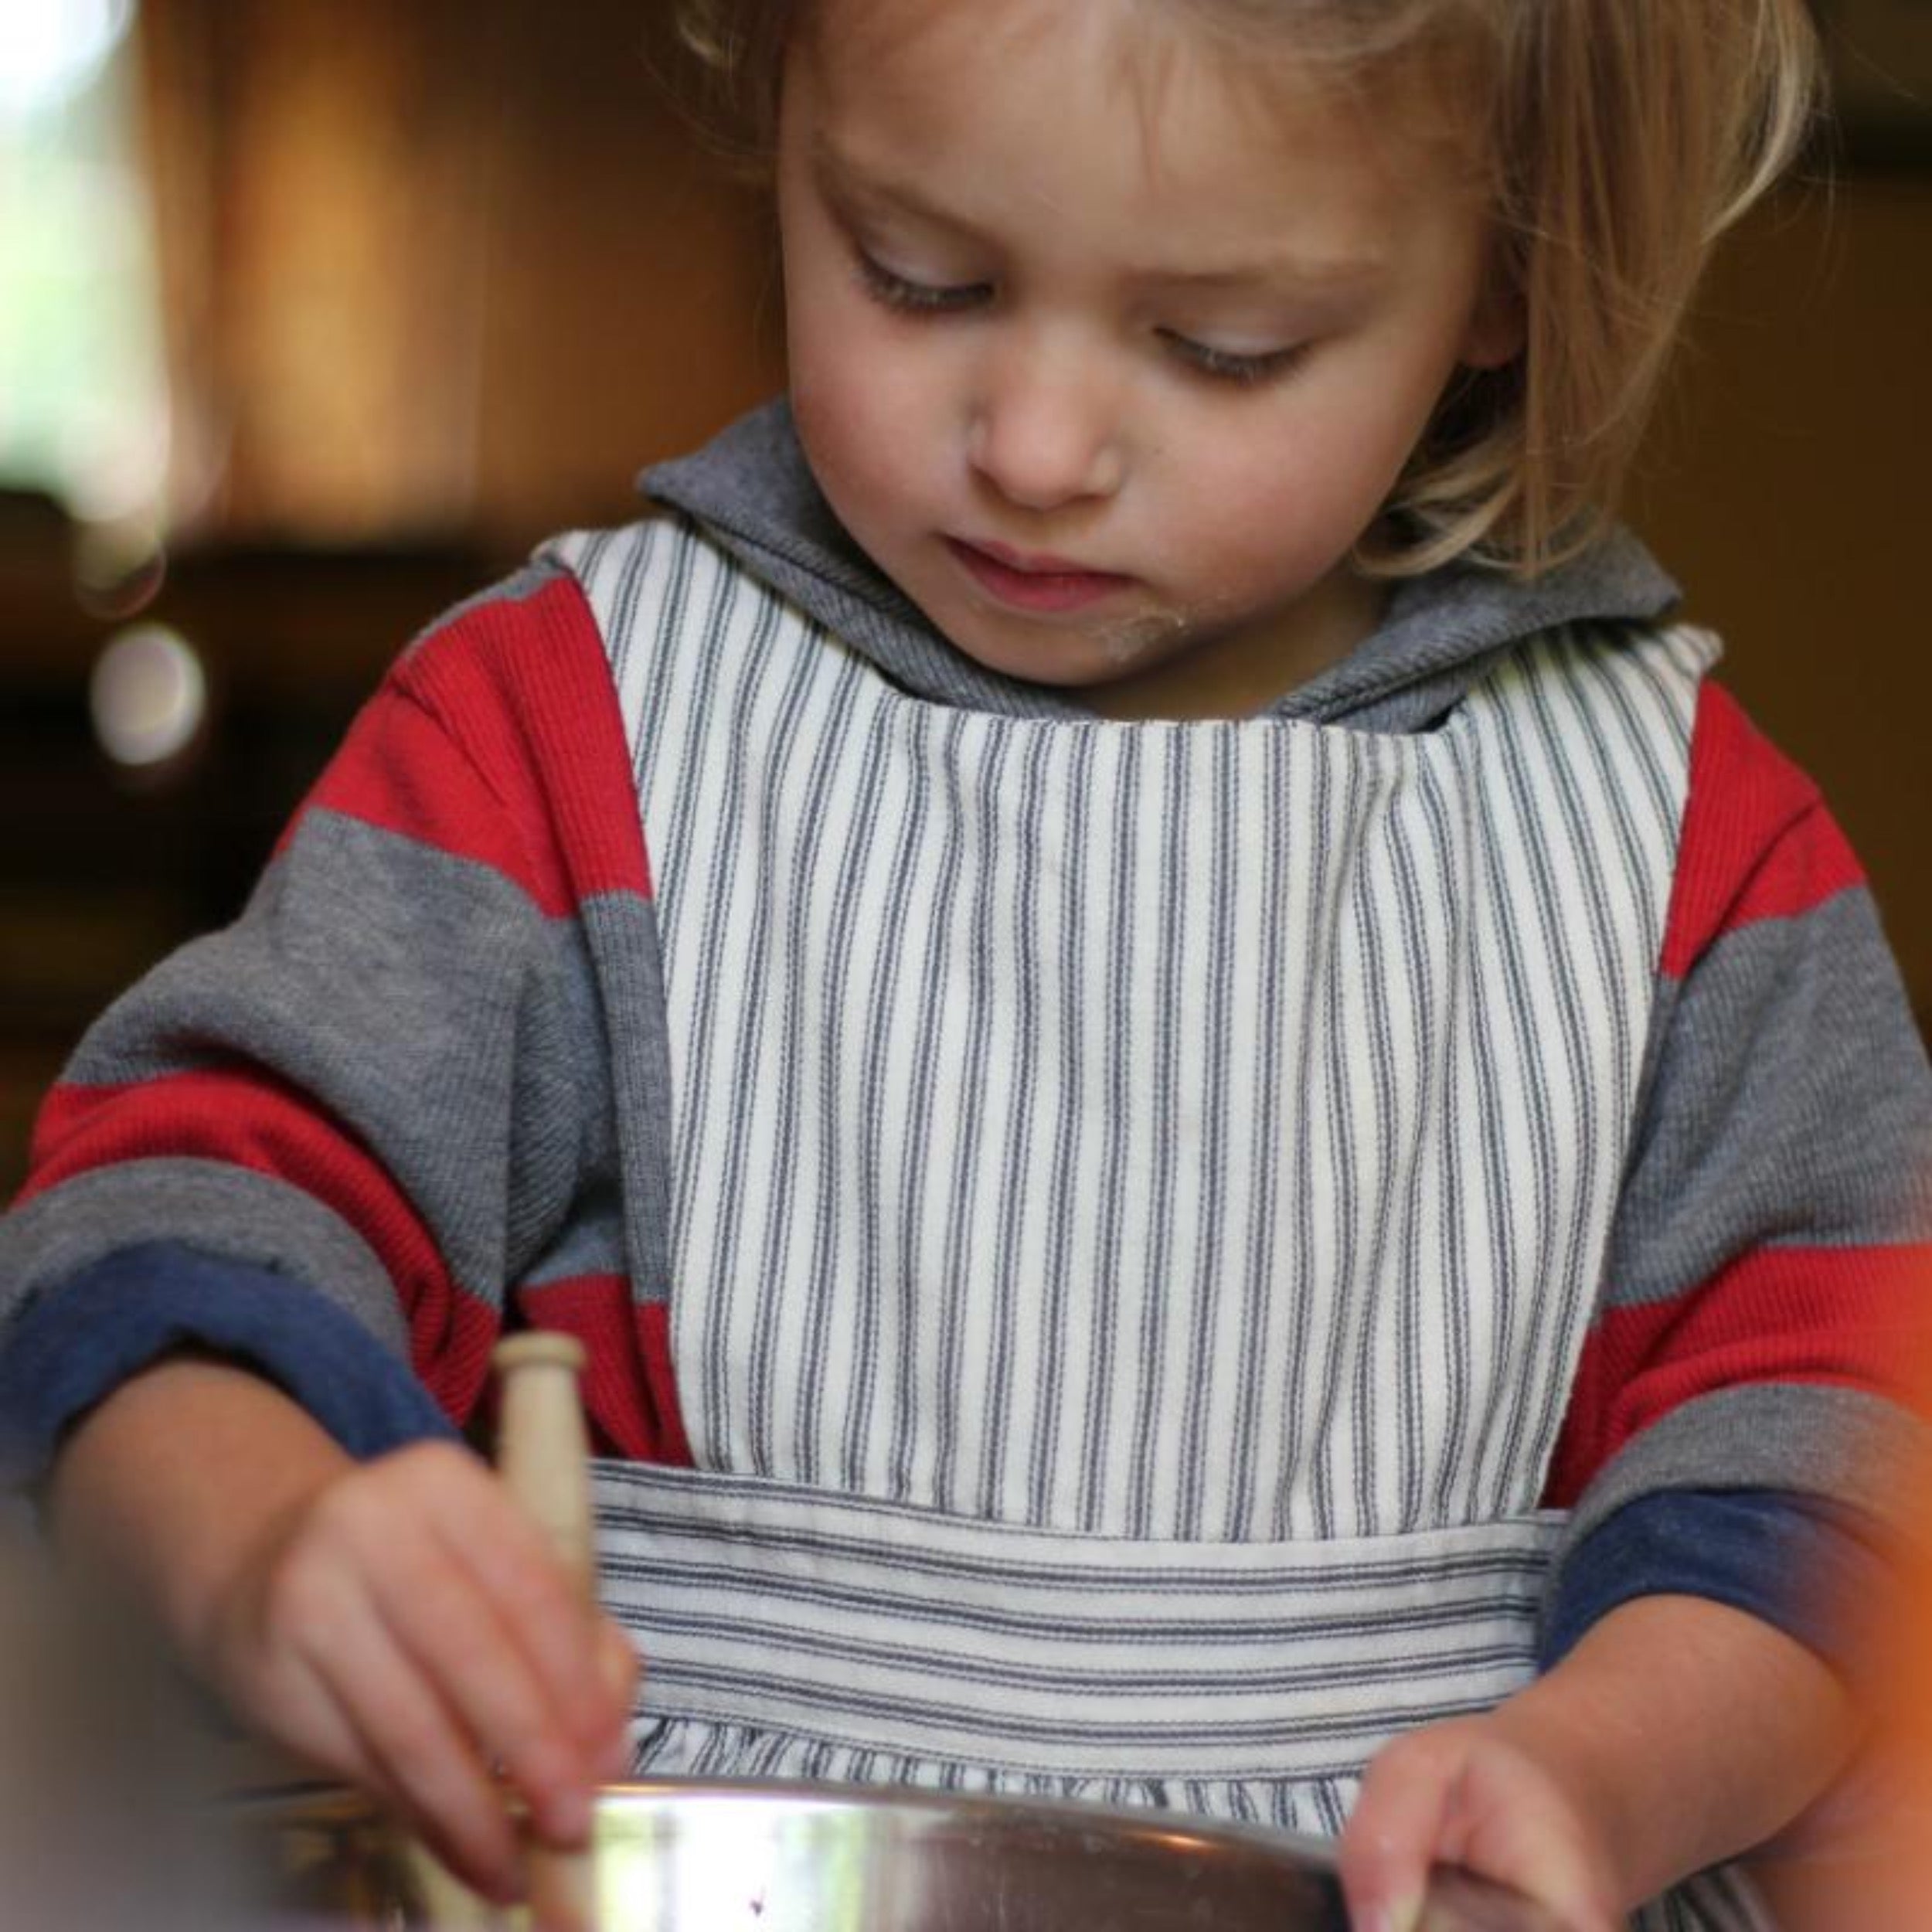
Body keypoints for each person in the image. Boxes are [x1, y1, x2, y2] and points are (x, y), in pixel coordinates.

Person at [2, 1, 1927, 1926]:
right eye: (915, 274)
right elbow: (177, 1221)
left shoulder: (1679, 847)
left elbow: (1832, 1462)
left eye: (1220, 345)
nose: (1032, 448)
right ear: (786, 121)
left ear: (1503, 271)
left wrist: (1604, 1767)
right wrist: (267, 1537)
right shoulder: (566, 737)